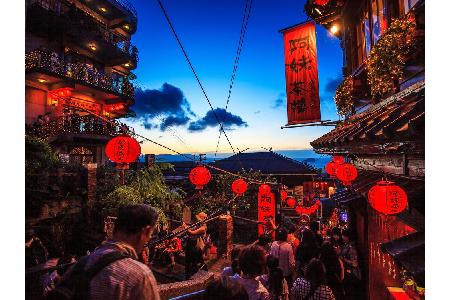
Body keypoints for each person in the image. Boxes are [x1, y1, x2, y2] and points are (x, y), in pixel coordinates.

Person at [52, 204, 160, 300]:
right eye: (150, 234)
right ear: (145, 231)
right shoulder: (140, 275)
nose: (149, 238)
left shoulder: (81, 264)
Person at [184, 211, 208, 279]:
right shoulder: (197, 225)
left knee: (197, 262)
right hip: (191, 245)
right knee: (189, 261)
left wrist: (185, 227)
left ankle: (200, 276)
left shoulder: (203, 228)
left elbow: (191, 232)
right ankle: (189, 275)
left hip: (197, 247)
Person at [340, 230, 361, 299]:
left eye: (344, 236)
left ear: (348, 237)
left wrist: (343, 259)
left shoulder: (352, 247)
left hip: (352, 275)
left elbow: (354, 264)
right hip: (348, 273)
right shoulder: (347, 245)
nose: (342, 237)